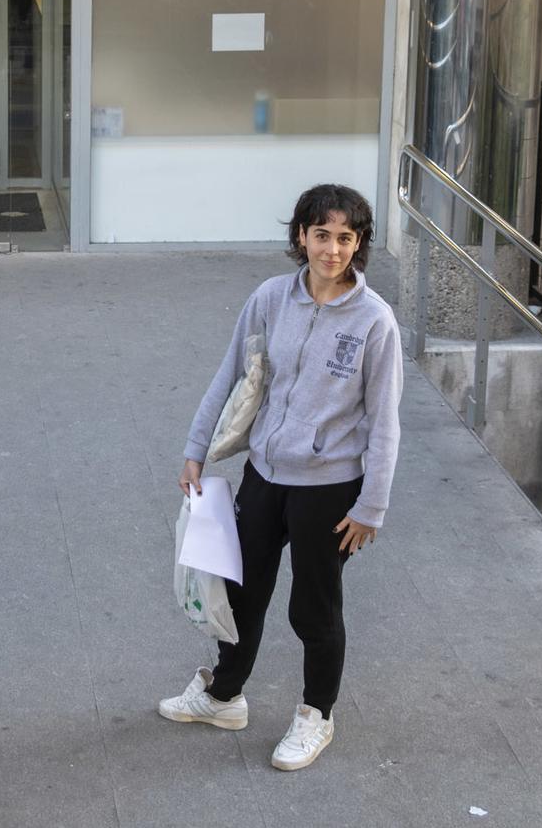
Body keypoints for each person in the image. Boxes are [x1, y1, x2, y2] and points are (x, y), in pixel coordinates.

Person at [159, 183, 403, 772]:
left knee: (313, 609)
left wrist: (372, 506)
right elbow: (231, 377)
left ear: (359, 244)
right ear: (301, 236)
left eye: (346, 238)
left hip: (331, 489)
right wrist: (197, 448)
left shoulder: (375, 322)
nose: (333, 249)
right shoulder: (270, 299)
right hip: (264, 474)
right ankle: (224, 695)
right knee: (242, 592)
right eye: (322, 235)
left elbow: (386, 421)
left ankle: (316, 714)